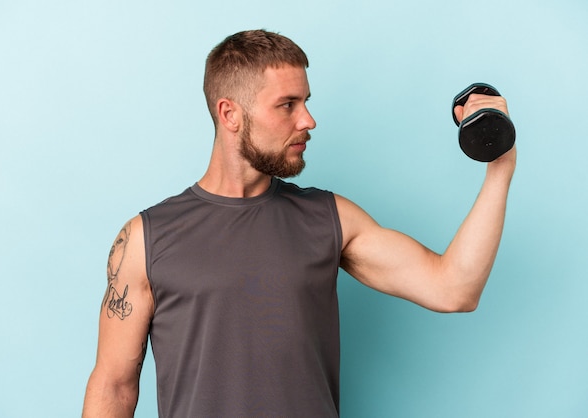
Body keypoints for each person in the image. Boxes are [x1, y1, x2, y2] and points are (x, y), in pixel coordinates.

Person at [82, 29, 516, 417]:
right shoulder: (146, 238)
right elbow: (114, 387)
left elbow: (454, 289)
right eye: (287, 105)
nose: (307, 120)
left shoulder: (329, 218)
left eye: (306, 102)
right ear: (230, 114)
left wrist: (500, 163)